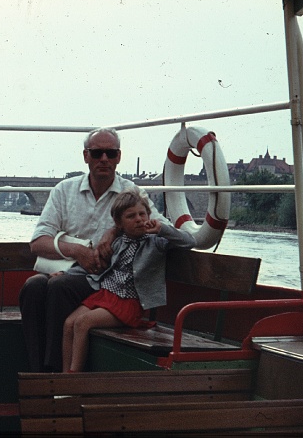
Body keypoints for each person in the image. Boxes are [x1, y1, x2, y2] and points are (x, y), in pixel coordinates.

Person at [19, 127, 171, 372]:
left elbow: (159, 225)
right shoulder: (64, 190)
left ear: (118, 157)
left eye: (110, 153)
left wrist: (116, 229)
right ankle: (37, 367)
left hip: (103, 280)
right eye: (97, 153)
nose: (104, 159)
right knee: (33, 287)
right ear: (85, 156)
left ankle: (54, 371)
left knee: (59, 287)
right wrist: (78, 252)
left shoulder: (131, 193)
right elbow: (38, 242)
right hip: (69, 269)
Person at [62, 188, 196, 372]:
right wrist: (65, 273)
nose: (139, 219)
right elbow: (97, 265)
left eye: (142, 214)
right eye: (131, 216)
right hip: (105, 296)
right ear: (119, 223)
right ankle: (63, 379)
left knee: (82, 323)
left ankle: (73, 380)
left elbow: (190, 241)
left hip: (129, 303)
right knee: (69, 322)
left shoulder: (155, 242)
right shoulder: (118, 242)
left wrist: (162, 229)